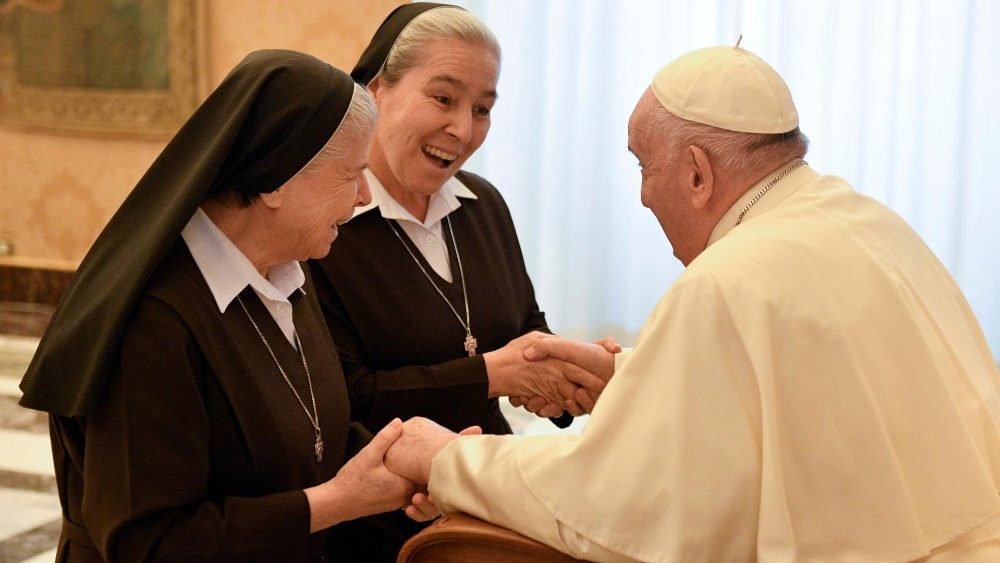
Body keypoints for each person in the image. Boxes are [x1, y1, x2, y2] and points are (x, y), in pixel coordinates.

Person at [384, 44, 1000, 561]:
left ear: (699, 174)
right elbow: (805, 395)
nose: (645, 197)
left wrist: (447, 459)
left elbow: (621, 509)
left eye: (644, 167)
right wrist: (631, 376)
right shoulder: (866, 221)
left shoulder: (727, 278)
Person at [18, 50, 436, 562]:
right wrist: (336, 502)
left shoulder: (287, 273)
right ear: (278, 180)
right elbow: (148, 543)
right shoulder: (154, 321)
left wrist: (400, 461)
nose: (364, 196)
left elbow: (305, 431)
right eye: (351, 174)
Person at [308, 2, 610, 438]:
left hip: (490, 473)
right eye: (444, 99)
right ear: (376, 90)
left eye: (482, 109)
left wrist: (570, 368)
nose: (464, 131)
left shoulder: (482, 204)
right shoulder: (327, 222)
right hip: (389, 492)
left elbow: (522, 325)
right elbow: (342, 398)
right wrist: (489, 376)